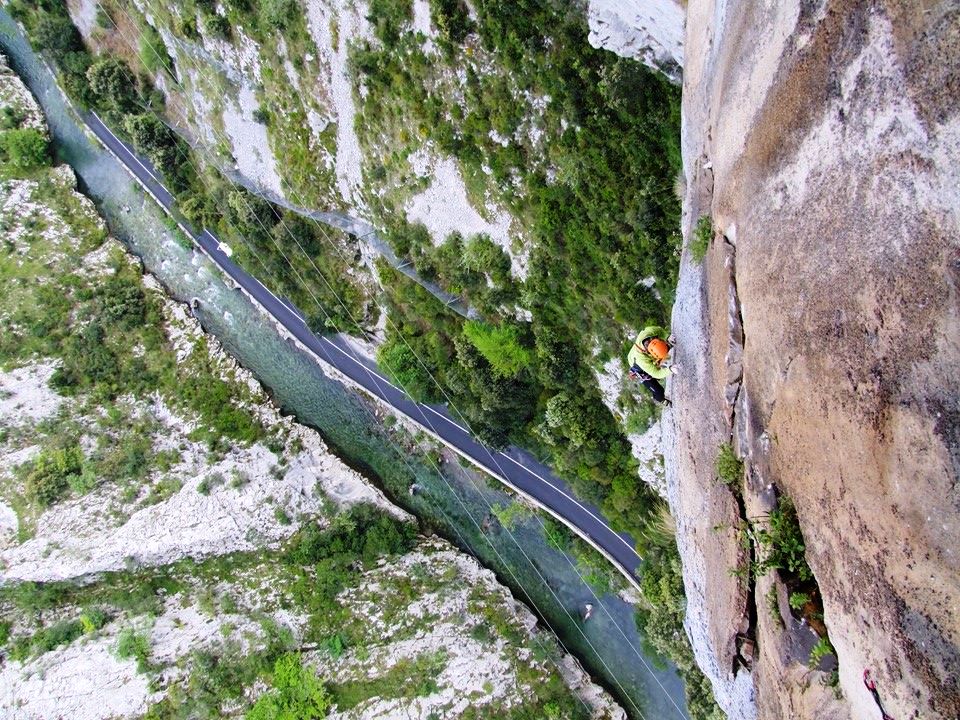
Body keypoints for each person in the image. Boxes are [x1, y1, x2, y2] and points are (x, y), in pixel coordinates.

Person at [627, 326, 675, 405]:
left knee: (665, 351)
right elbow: (657, 373)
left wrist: (667, 337)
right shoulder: (642, 360)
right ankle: (661, 400)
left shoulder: (650, 332)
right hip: (639, 369)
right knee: (659, 391)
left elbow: (659, 330)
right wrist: (670, 369)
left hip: (640, 357)